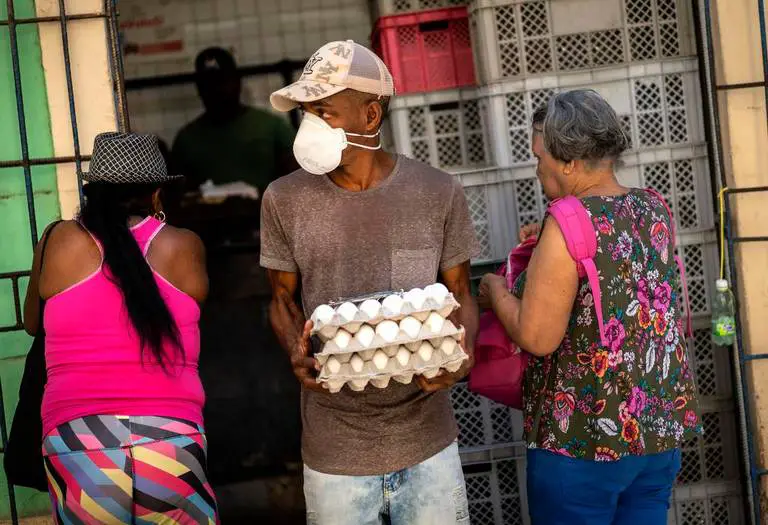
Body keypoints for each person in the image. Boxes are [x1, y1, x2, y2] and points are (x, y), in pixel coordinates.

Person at [261, 40, 480, 525]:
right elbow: (279, 297)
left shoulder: (437, 191)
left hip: (427, 441)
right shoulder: (284, 199)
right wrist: (295, 352)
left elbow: (462, 291)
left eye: (324, 112)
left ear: (370, 116)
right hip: (335, 447)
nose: (310, 126)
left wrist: (462, 361)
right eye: (305, 114)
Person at [479, 90, 700, 525]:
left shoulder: (566, 219)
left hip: (582, 441)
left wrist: (495, 293)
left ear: (568, 161)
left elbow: (538, 337)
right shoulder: (652, 206)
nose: (536, 165)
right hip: (656, 433)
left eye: (539, 155)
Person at [24, 132, 218, 524]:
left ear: (91, 190)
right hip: (170, 440)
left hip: (78, 443)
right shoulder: (183, 247)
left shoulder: (56, 240)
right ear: (157, 193)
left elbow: (32, 324)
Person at [172, 47, 297, 194]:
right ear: (199, 89)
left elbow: (298, 183)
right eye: (209, 84)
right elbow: (176, 197)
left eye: (222, 81)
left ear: (238, 82)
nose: (217, 90)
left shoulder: (272, 128)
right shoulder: (186, 140)